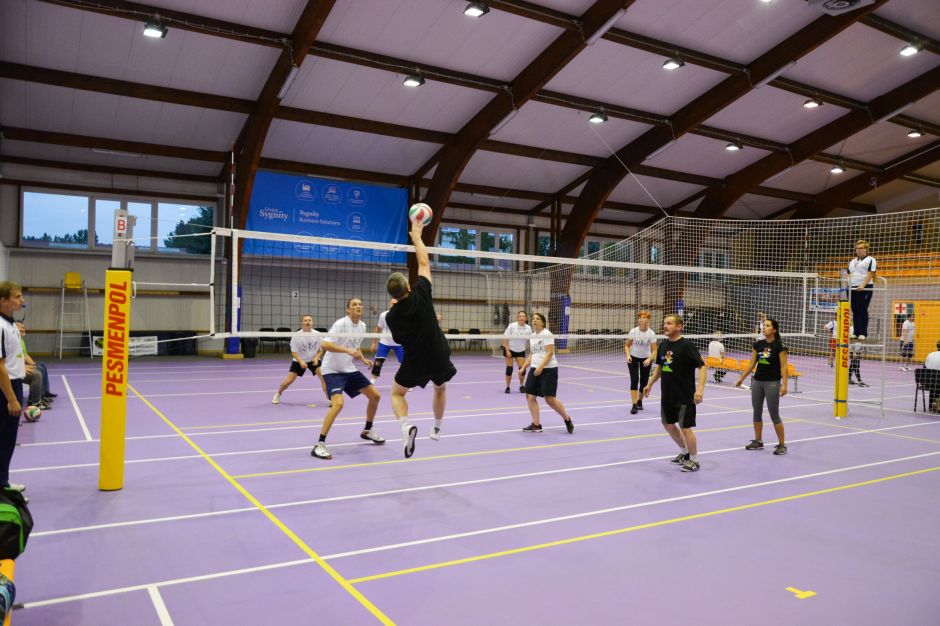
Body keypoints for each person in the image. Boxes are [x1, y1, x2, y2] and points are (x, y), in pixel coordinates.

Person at [385, 219, 458, 459]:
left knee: (397, 393)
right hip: (438, 353)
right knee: (440, 388)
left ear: (392, 294)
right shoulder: (422, 293)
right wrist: (416, 235)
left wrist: (396, 309)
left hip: (415, 361)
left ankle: (405, 426)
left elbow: (399, 339)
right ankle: (436, 428)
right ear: (408, 285)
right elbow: (424, 262)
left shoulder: (392, 317)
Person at [312, 299, 385, 460]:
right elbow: (325, 345)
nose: (358, 306)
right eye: (354, 305)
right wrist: (347, 350)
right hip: (332, 370)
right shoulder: (341, 324)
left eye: (360, 304)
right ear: (348, 310)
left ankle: (367, 430)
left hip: (349, 369)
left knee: (375, 396)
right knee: (338, 404)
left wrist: (363, 359)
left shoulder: (362, 326)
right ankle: (319, 444)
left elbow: (355, 346)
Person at [643, 314, 706, 473]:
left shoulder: (687, 346)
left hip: (684, 395)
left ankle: (694, 460)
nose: (665, 326)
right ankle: (685, 453)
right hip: (667, 394)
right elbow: (660, 367)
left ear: (679, 326)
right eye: (664, 323)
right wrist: (650, 383)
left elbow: (702, 366)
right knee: (668, 424)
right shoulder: (663, 345)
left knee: (685, 428)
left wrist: (700, 389)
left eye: (669, 323)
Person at [736, 318, 788, 455]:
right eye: (763, 325)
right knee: (756, 412)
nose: (764, 327)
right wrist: (741, 379)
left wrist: (784, 385)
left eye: (767, 326)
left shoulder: (780, 346)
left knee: (774, 414)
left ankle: (782, 444)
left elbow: (784, 366)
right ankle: (758, 441)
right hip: (757, 382)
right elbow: (751, 364)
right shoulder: (758, 344)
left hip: (772, 383)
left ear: (774, 329)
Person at [520, 313, 574, 434]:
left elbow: (549, 353)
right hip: (535, 368)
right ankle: (536, 425)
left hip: (549, 369)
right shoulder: (532, 336)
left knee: (549, 399)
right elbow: (532, 354)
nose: (535, 320)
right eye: (533, 319)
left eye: (537, 319)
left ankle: (567, 418)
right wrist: (523, 367)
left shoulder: (547, 334)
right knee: (530, 396)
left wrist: (541, 367)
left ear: (543, 322)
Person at [0, 282, 26, 491]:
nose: (22, 301)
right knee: (5, 440)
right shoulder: (0, 326)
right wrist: (11, 398)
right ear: (3, 301)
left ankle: (3, 481)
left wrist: (16, 330)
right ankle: (2, 487)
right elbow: (0, 367)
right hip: (5, 389)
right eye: (17, 297)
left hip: (14, 384)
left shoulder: (9, 324)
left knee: (7, 439)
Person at [272, 315, 326, 405]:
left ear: (312, 322)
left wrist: (317, 357)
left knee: (324, 378)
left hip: (313, 360)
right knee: (289, 380)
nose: (308, 322)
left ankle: (329, 398)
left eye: (309, 320)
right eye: (305, 320)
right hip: (299, 360)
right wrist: (301, 361)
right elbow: (294, 352)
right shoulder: (297, 336)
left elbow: (322, 349)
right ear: (302, 323)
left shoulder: (318, 334)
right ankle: (278, 393)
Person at [625, 311, 657, 414]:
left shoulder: (651, 334)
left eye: (644, 317)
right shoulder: (633, 331)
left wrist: (649, 359)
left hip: (646, 358)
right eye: (640, 317)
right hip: (633, 357)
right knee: (634, 380)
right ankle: (634, 405)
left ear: (648, 320)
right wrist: (628, 355)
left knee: (644, 381)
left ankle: (639, 401)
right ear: (638, 320)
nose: (642, 319)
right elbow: (627, 346)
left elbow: (654, 350)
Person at [369, 299, 404, 384]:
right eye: (392, 303)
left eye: (396, 303)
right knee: (378, 362)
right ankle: (372, 382)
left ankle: (407, 383)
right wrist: (374, 343)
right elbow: (378, 328)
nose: (394, 305)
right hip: (385, 342)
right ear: (390, 304)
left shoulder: (404, 314)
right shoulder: (384, 315)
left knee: (405, 364)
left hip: (399, 343)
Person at [848, 240, 876, 340]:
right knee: (855, 310)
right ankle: (856, 332)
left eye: (861, 248)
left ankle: (863, 333)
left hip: (864, 288)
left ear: (866, 249)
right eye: (857, 248)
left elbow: (871, 273)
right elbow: (848, 273)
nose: (858, 250)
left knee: (862, 310)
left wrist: (863, 285)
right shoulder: (852, 261)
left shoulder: (871, 260)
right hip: (852, 288)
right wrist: (848, 284)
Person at [502, 310, 531, 394]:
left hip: (520, 350)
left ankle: (521, 386)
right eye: (520, 316)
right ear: (518, 318)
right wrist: (507, 350)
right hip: (510, 349)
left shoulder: (528, 328)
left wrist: (532, 351)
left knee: (523, 369)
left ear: (526, 318)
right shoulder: (512, 326)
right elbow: (504, 338)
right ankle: (508, 387)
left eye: (523, 316)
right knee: (509, 369)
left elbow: (530, 340)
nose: (521, 317)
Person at [925, 340, 940, 412]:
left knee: (934, 379)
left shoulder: (930, 354)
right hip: (938, 382)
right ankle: (938, 403)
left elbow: (924, 368)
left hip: (928, 383)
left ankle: (932, 404)